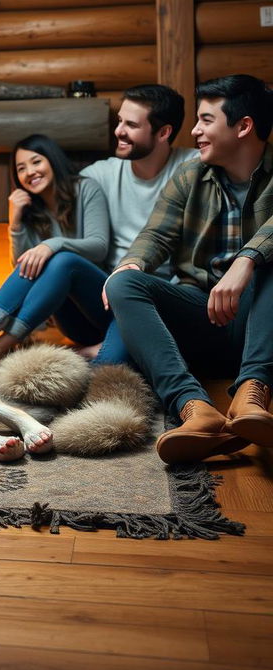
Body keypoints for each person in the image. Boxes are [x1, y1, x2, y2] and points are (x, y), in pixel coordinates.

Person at [105, 74, 273, 463]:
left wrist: (247, 260)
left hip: (260, 321)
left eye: (206, 120)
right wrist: (130, 264)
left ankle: (253, 395)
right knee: (124, 283)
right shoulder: (190, 174)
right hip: (203, 315)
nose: (194, 131)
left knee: (270, 261)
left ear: (243, 126)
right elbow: (155, 236)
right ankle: (195, 409)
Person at [0, 134, 109, 372]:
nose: (30, 172)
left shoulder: (86, 189)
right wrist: (15, 223)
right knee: (35, 261)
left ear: (52, 160)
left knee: (62, 260)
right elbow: (22, 269)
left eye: (36, 161)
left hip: (102, 309)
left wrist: (52, 244)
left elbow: (99, 246)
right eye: (21, 168)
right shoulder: (32, 210)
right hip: (72, 323)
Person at [79, 83, 196, 363]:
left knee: (110, 365)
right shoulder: (102, 173)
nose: (118, 130)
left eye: (131, 124)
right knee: (59, 261)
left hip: (158, 297)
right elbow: (58, 196)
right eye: (120, 121)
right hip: (105, 293)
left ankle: (99, 353)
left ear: (164, 132)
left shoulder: (194, 169)